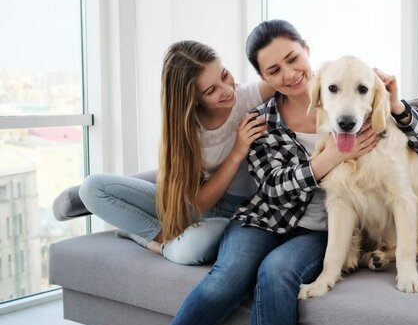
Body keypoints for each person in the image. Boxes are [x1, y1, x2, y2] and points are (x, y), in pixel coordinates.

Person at [169, 20, 418, 325]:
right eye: (274, 70)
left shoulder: (357, 101)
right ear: (263, 77)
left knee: (276, 272)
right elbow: (271, 190)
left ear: (306, 50)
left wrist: (396, 106)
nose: (289, 73)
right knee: (226, 279)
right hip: (263, 220)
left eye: (293, 59)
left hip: (316, 229)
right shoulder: (262, 118)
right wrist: (331, 157)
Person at [78, 40, 275, 265]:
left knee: (190, 251)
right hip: (199, 205)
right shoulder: (185, 129)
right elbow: (198, 203)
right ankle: (161, 238)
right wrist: (237, 152)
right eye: (211, 90)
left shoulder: (247, 96)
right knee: (92, 188)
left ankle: (151, 240)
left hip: (234, 214)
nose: (227, 90)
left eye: (224, 75)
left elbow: (294, 81)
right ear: (193, 99)